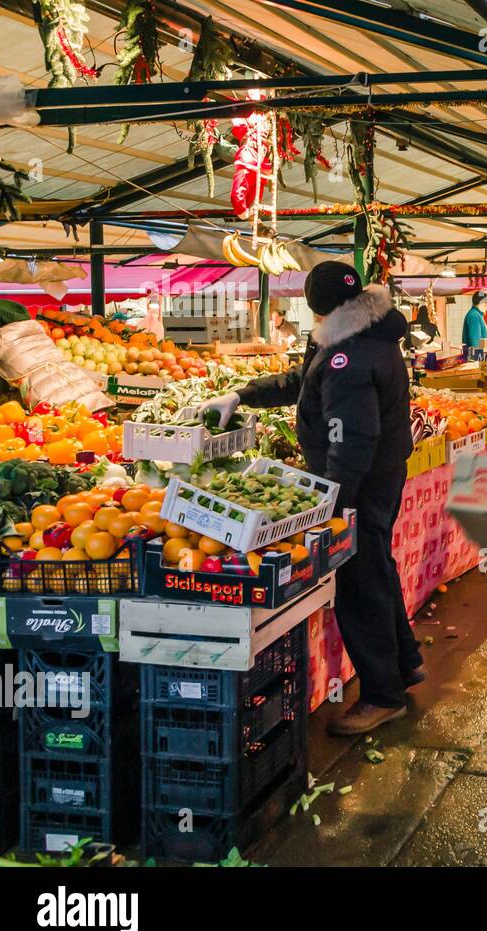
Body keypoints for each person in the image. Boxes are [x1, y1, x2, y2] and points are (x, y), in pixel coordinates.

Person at [200, 263, 420, 736]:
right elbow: (304, 383)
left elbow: (354, 438)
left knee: (359, 584)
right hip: (375, 477)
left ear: (316, 306)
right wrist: (241, 395)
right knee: (377, 567)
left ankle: (383, 696)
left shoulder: (350, 353)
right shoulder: (357, 334)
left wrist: (330, 507)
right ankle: (406, 665)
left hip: (358, 482)